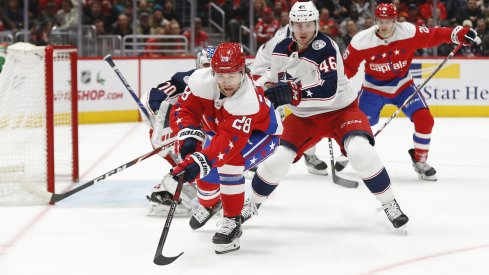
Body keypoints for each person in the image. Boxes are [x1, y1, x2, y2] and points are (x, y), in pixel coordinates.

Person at [241, 1, 409, 231]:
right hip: (303, 117)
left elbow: (328, 91)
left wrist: (293, 94)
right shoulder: (280, 48)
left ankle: (389, 203)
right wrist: (256, 88)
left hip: (341, 111)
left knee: (361, 152)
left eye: (308, 24)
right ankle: (251, 204)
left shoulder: (326, 47)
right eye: (298, 25)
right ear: (290, 24)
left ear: (317, 24)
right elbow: (274, 76)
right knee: (276, 159)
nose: (303, 30)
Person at [161, 42, 283, 254]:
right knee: (206, 176)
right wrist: (189, 133)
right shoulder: (201, 80)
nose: (225, 82)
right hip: (223, 132)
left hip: (262, 135)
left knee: (228, 164)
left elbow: (227, 144)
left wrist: (198, 161)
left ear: (243, 72)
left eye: (231, 76)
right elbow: (184, 108)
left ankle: (232, 222)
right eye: (220, 75)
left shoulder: (247, 100)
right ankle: (210, 205)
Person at [336, 3, 480, 181]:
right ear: (375, 21)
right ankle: (348, 151)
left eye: (388, 21)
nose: (384, 25)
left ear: (395, 20)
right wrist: (335, 84)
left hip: (403, 86)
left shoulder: (408, 32)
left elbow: (434, 35)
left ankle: (420, 160)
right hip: (373, 89)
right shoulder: (361, 41)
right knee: (359, 125)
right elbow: (347, 68)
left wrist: (457, 34)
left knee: (425, 120)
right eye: (380, 21)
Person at [144, 46, 216, 217]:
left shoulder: (227, 81)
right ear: (199, 64)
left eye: (215, 67)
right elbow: (154, 96)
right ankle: (168, 191)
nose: (211, 72)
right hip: (180, 134)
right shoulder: (186, 80)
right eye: (207, 66)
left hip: (208, 133)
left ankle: (193, 186)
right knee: (193, 159)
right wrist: (161, 116)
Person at [251, 21, 328, 176]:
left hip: (286, 72)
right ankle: (257, 157)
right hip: (265, 72)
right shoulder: (284, 38)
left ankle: (309, 153)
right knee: (274, 116)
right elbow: (278, 69)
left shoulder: (312, 35)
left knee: (310, 110)